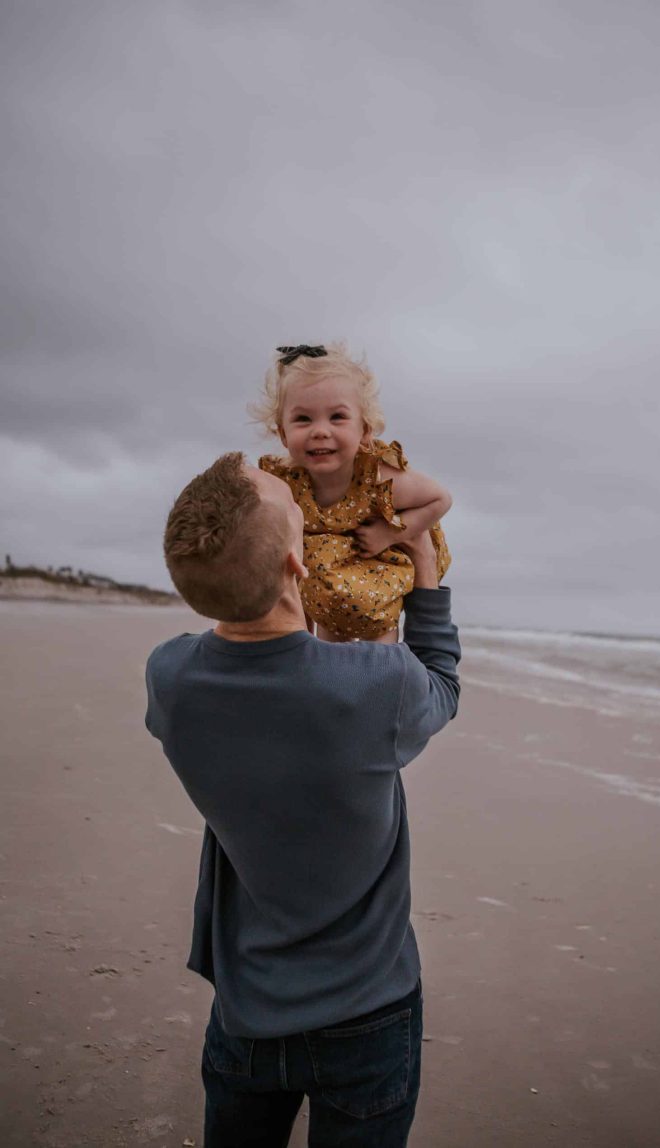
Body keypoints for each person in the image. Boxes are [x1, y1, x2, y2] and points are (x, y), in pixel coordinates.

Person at [145, 451, 460, 1148]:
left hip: (247, 1007)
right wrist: (423, 566)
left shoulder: (171, 678)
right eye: (296, 513)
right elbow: (441, 684)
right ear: (299, 563)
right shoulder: (377, 683)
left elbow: (265, 660)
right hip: (369, 1011)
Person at [252, 342, 452, 643]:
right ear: (282, 433)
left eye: (337, 417)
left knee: (378, 648)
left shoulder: (378, 477)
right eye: (303, 419)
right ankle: (319, 657)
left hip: (382, 558)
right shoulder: (288, 483)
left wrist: (391, 534)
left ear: (365, 430)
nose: (320, 430)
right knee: (315, 587)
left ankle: (381, 664)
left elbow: (440, 499)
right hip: (332, 563)